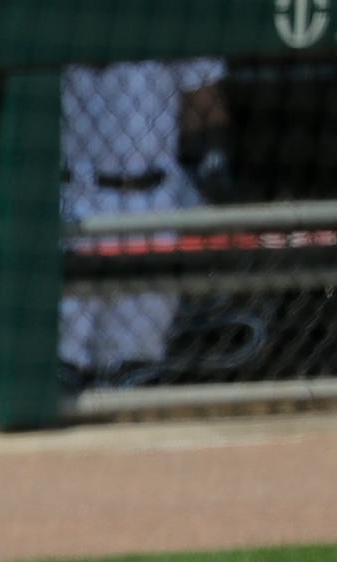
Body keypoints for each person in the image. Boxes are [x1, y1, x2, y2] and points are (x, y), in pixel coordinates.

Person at [59, 59, 228, 387]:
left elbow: (206, 101)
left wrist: (213, 159)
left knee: (138, 359)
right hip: (77, 193)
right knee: (65, 353)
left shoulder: (170, 11)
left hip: (156, 196)